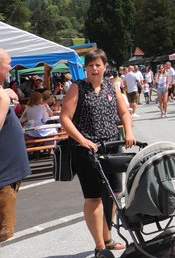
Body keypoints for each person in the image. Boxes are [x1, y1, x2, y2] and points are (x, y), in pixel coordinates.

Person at [59, 49, 135, 255]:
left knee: (113, 195)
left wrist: (128, 131)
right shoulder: (78, 88)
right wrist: (83, 140)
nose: (94, 68)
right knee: (94, 198)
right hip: (87, 152)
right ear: (86, 68)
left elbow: (123, 112)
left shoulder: (112, 86)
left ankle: (108, 238)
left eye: (98, 65)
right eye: (90, 65)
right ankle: (100, 246)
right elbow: (64, 117)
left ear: (105, 66)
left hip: (112, 148)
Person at [0, 48, 31, 243]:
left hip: (6, 176)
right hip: (3, 178)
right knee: (4, 235)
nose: (11, 67)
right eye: (8, 63)